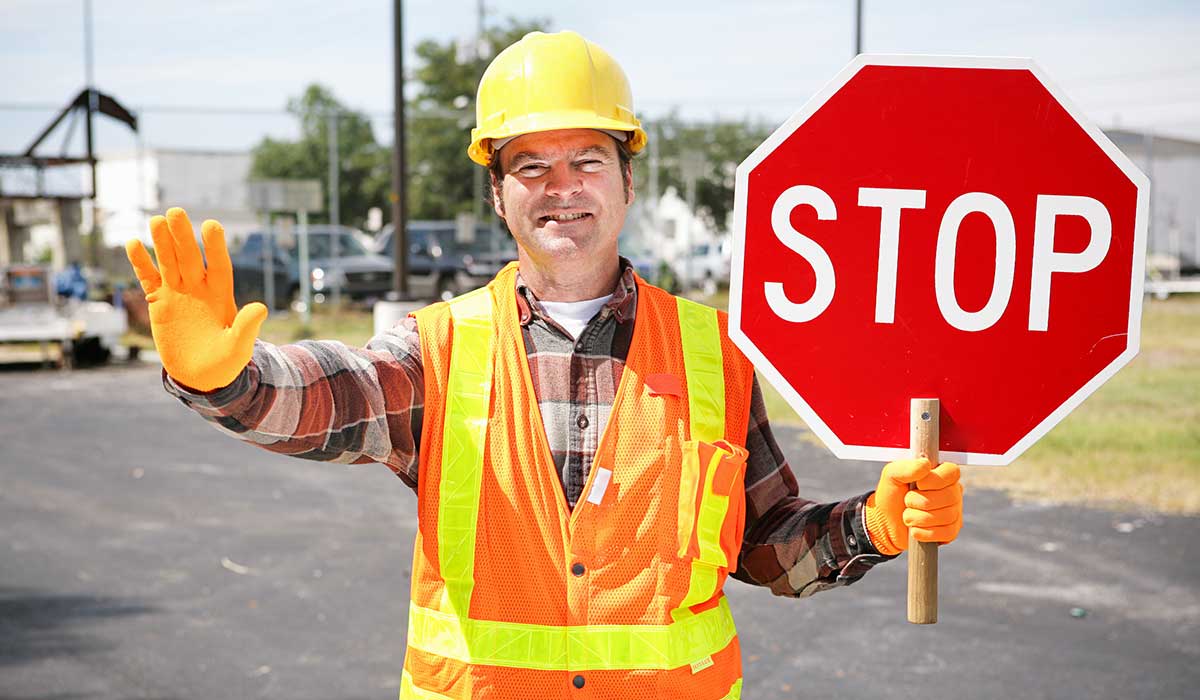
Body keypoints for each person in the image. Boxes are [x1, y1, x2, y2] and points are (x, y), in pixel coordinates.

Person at [126, 30, 962, 700]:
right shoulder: (439, 349)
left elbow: (766, 546)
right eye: (531, 165)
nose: (561, 187)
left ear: (627, 181)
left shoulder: (716, 353)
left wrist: (874, 526)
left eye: (587, 160)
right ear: (498, 194)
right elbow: (331, 396)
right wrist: (225, 380)